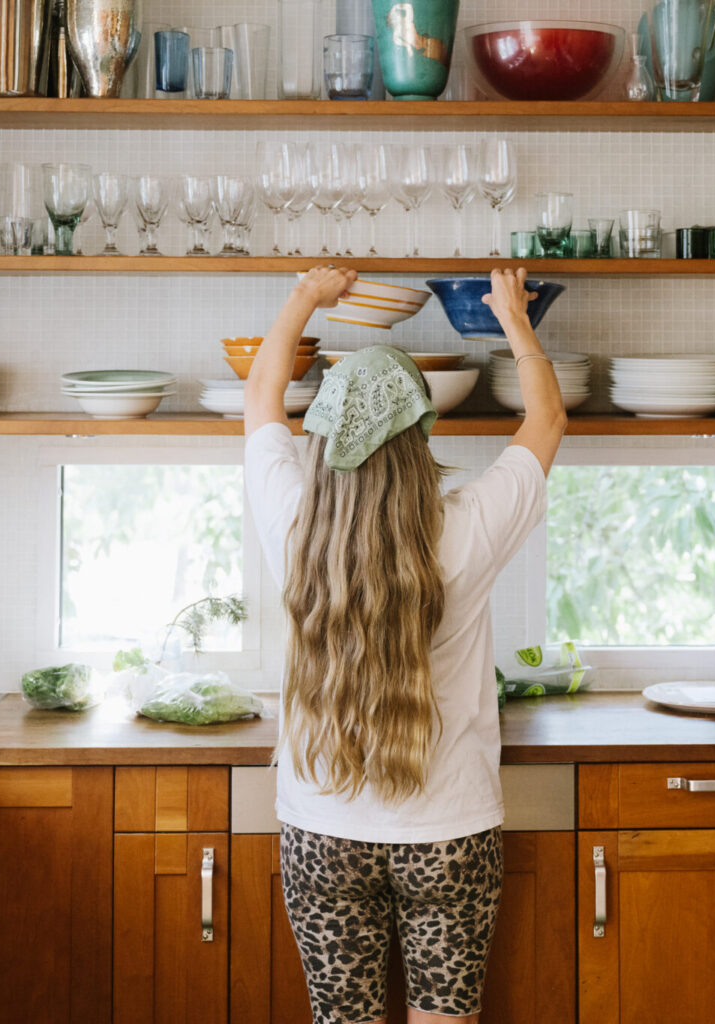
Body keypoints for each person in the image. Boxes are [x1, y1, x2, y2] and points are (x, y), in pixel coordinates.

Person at [243, 266, 567, 1024]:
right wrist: (512, 316)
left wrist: (305, 298)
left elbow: (260, 401)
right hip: (449, 835)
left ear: (319, 438)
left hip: (323, 832)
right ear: (421, 436)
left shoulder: (294, 528)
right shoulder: (464, 529)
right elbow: (546, 421)